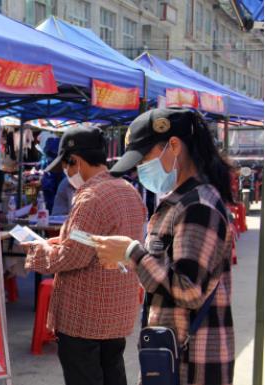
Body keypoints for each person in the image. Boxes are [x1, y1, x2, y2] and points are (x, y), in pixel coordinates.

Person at [94, 108, 235, 385]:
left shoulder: (197, 206)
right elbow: (169, 269)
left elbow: (189, 288)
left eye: (145, 158)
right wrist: (128, 259)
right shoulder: (180, 200)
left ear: (173, 145)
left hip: (195, 364)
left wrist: (132, 252)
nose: (140, 169)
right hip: (171, 355)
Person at [23, 126, 147, 385]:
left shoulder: (90, 197)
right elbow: (91, 241)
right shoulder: (128, 190)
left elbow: (72, 257)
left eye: (67, 167)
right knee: (114, 374)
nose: (67, 174)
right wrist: (63, 241)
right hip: (117, 311)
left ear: (76, 161)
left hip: (85, 316)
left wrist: (36, 249)